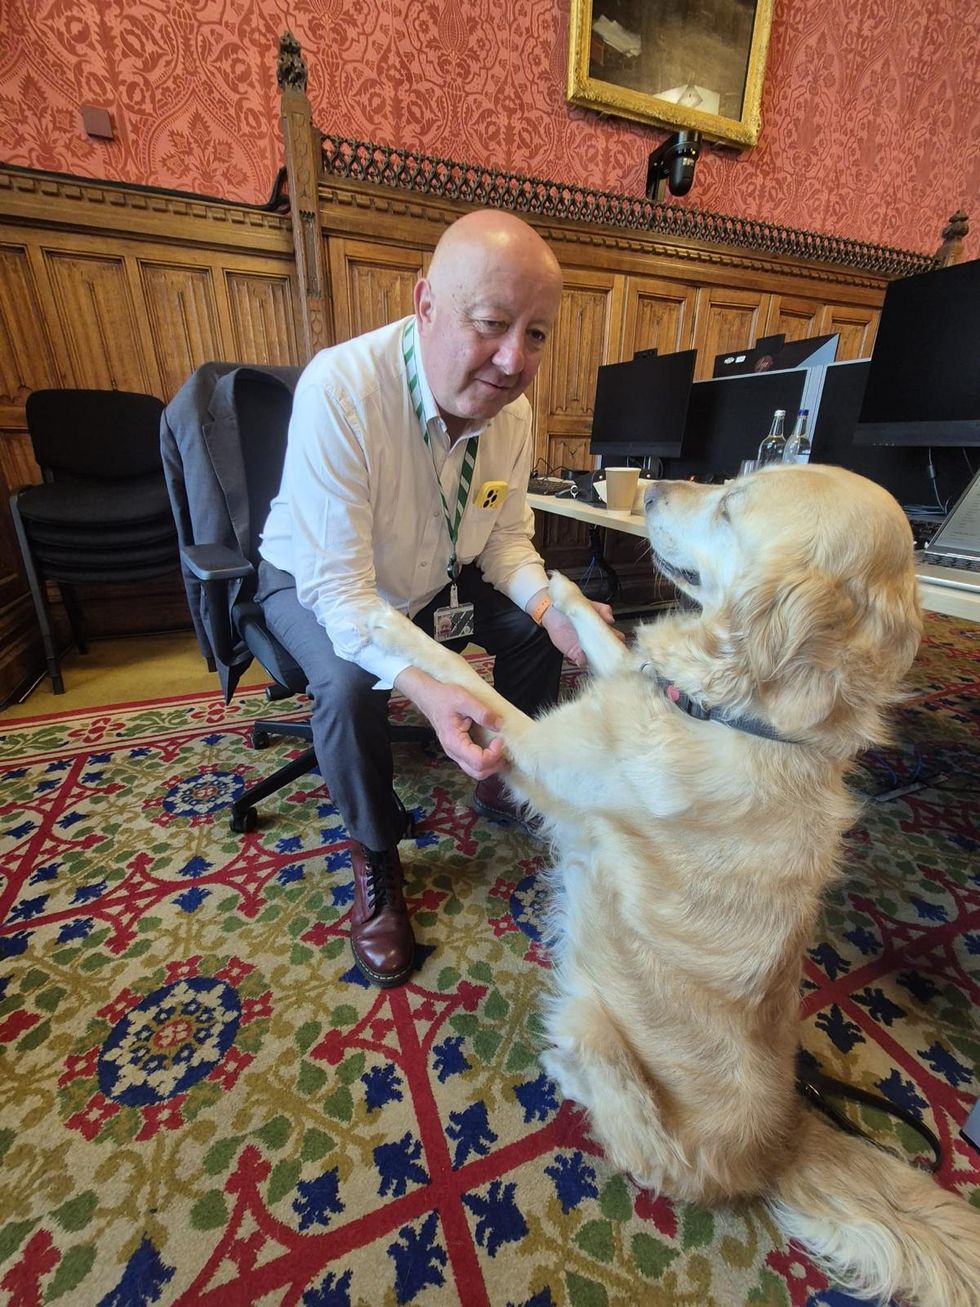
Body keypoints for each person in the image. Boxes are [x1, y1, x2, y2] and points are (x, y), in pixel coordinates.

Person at [257, 209, 614, 988]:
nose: (515, 360)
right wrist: (423, 685)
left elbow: (503, 541)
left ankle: (504, 776)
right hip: (317, 579)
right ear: (426, 304)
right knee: (347, 683)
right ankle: (376, 856)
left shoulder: (512, 413)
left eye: (537, 334)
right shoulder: (343, 390)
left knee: (531, 627)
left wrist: (553, 609)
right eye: (491, 322)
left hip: (434, 575)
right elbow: (342, 594)